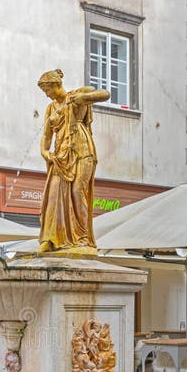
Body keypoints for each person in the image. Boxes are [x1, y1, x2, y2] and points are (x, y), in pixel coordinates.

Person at [37, 69, 110, 255]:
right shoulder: (50, 108)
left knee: (79, 191)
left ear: (56, 85)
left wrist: (82, 99)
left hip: (82, 150)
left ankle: (82, 238)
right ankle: (50, 238)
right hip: (60, 154)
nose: (46, 94)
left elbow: (105, 94)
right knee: (53, 194)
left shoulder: (76, 94)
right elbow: (46, 138)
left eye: (47, 90)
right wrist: (45, 153)